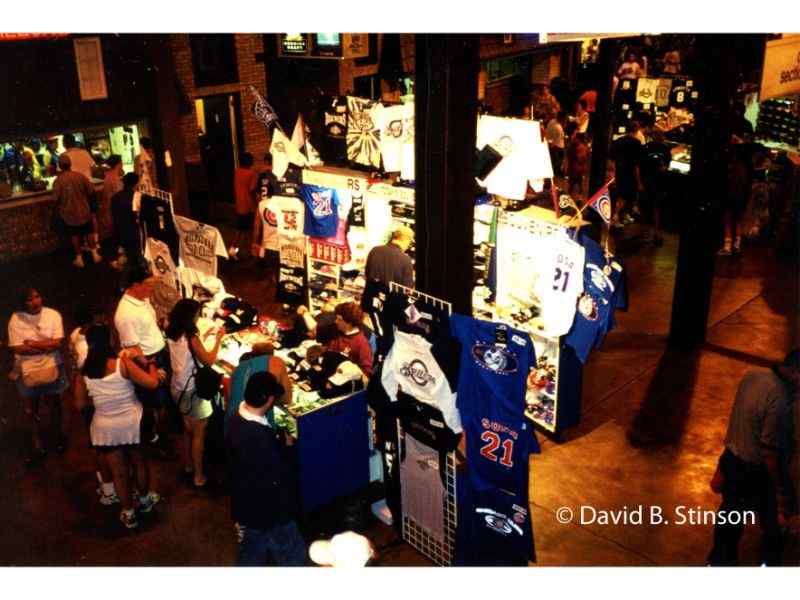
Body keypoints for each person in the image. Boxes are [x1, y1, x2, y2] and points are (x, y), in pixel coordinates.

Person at [707, 350, 799, 566]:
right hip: (756, 471)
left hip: (732, 459)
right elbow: (769, 453)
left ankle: (719, 563)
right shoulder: (780, 400)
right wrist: (778, 489)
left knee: (730, 515)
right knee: (773, 525)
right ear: (796, 372)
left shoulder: (752, 376)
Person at [74, 323, 164, 529]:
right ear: (110, 341)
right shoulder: (121, 364)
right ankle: (144, 501)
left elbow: (79, 404)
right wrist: (151, 364)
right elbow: (151, 383)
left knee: (118, 472)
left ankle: (128, 513)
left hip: (105, 427)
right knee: (138, 462)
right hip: (132, 422)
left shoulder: (83, 373)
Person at [226, 371, 307, 566]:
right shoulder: (259, 436)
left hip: (247, 505)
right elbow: (277, 476)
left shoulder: (235, 417)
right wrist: (287, 449)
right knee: (292, 555)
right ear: (269, 400)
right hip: (271, 511)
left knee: (251, 553)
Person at [165, 299, 226, 488]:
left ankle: (189, 465)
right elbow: (208, 360)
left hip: (177, 386)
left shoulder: (171, 330)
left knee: (187, 429)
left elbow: (185, 352)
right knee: (199, 431)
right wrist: (218, 338)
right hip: (193, 390)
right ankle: (199, 476)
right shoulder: (192, 337)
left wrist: (204, 335)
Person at [114, 264, 173, 456]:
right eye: (147, 285)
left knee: (161, 400)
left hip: (158, 354)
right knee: (153, 403)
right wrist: (151, 367)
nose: (151, 289)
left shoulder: (142, 299)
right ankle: (153, 440)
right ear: (134, 285)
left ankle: (161, 434)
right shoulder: (124, 314)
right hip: (148, 361)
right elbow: (132, 349)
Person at [7, 286, 69, 465]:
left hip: (52, 367)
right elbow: (17, 348)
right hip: (27, 370)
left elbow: (57, 343)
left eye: (37, 297)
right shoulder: (16, 320)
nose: (35, 302)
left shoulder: (53, 315)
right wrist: (46, 345)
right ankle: (37, 443)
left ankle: (57, 437)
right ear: (22, 302)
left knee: (54, 405)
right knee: (31, 410)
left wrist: (32, 344)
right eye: (29, 299)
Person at [69, 305, 117, 504]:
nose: (105, 322)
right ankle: (109, 488)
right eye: (100, 320)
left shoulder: (74, 335)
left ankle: (105, 485)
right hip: (99, 402)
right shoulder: (92, 348)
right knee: (104, 449)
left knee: (96, 446)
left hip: (90, 401)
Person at [52, 154, 102, 267]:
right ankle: (95, 255)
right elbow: (91, 191)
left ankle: (79, 259)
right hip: (84, 210)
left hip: (69, 214)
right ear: (70, 164)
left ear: (59, 165)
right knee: (89, 233)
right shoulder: (80, 176)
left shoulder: (58, 181)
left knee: (74, 236)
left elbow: (55, 199)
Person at [718, 140, 754, 256]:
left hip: (732, 196)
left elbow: (733, 182)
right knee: (738, 221)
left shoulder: (737, 166)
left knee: (727, 219)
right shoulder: (748, 167)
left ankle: (727, 247)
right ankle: (737, 245)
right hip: (742, 197)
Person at [639, 128, 672, 246]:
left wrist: (640, 182)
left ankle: (648, 233)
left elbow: (639, 166)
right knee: (655, 208)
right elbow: (667, 166)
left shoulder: (647, 148)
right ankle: (654, 234)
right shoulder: (665, 149)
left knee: (648, 208)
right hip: (657, 183)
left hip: (651, 182)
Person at [609, 125, 644, 228]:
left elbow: (612, 159)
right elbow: (637, 164)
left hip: (619, 172)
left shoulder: (618, 141)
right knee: (625, 197)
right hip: (630, 173)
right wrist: (639, 181)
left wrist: (613, 174)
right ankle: (615, 218)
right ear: (636, 131)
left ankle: (622, 216)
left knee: (620, 196)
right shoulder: (637, 143)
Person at [326, 302, 373, 377]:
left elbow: (366, 373)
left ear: (349, 322)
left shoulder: (362, 344)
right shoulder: (336, 333)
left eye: (339, 319)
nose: (336, 322)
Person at [230, 152, 259, 260]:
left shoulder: (237, 172)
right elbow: (252, 191)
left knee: (240, 230)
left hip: (239, 205)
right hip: (249, 207)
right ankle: (251, 252)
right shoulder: (252, 174)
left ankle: (234, 250)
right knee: (252, 231)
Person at [111, 172, 142, 269]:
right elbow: (138, 216)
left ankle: (122, 263)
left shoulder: (115, 197)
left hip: (120, 231)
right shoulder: (137, 197)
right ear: (136, 184)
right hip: (134, 233)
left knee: (127, 256)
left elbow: (114, 216)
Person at [565, 130, 590, 201]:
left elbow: (569, 156)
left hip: (574, 168)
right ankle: (579, 197)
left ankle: (569, 197)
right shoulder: (583, 147)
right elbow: (583, 159)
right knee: (578, 183)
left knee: (572, 184)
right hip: (579, 169)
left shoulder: (573, 146)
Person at [545, 111, 567, 178]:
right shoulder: (558, 127)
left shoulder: (552, 121)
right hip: (557, 146)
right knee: (558, 162)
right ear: (562, 119)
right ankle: (559, 174)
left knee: (554, 161)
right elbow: (560, 139)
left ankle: (556, 173)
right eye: (565, 119)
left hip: (549, 143)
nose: (565, 120)